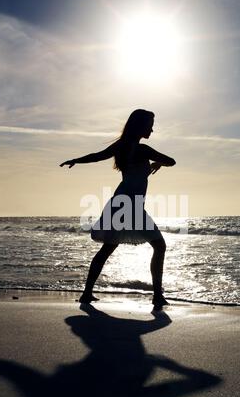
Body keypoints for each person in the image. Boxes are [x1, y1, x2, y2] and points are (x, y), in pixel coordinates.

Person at [60, 109, 176, 311]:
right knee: (159, 245)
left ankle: (87, 293)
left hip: (119, 203)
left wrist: (76, 160)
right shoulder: (143, 150)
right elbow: (171, 161)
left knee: (108, 248)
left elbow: (97, 157)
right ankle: (157, 296)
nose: (152, 129)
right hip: (130, 205)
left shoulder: (122, 147)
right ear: (140, 126)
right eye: (150, 124)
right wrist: (158, 163)